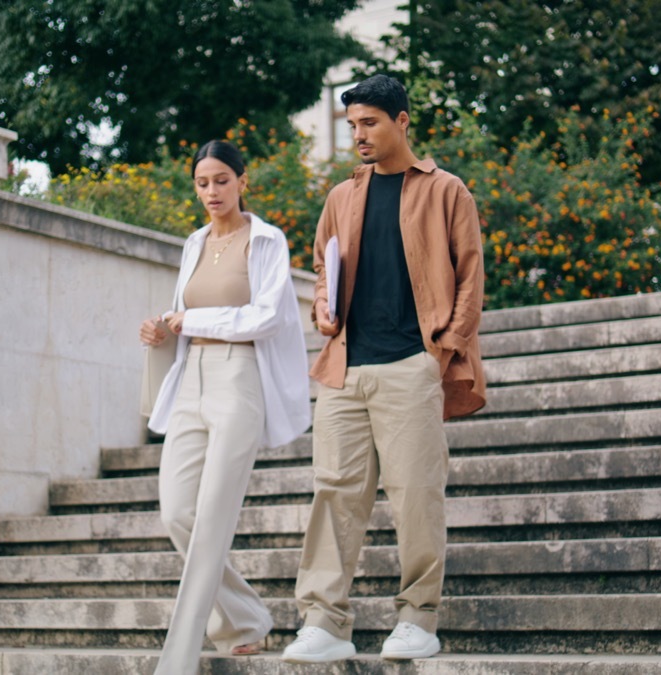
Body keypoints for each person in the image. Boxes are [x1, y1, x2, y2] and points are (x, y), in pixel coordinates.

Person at [283, 74, 487, 664]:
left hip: (411, 363)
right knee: (333, 495)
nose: (359, 135)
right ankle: (324, 622)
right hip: (345, 368)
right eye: (352, 125)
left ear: (401, 120)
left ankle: (418, 618)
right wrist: (323, 309)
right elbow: (323, 269)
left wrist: (442, 350)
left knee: (416, 495)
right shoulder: (341, 197)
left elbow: (470, 275)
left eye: (369, 122)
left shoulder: (446, 190)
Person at [140, 139, 312, 675]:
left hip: (240, 380)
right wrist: (163, 327)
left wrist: (192, 320)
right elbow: (184, 312)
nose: (212, 191)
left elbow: (267, 316)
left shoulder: (266, 240)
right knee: (177, 512)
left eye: (221, 180)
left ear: (242, 181)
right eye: (202, 183)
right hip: (190, 378)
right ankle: (244, 618)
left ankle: (178, 660)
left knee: (213, 517)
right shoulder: (193, 243)